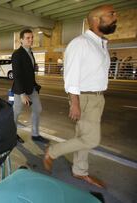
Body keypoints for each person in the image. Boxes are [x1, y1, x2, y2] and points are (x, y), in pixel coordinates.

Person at [44, 4, 117, 188]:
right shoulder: (80, 43)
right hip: (85, 98)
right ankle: (53, 151)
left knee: (83, 136)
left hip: (96, 97)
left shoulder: (100, 43)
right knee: (91, 139)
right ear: (95, 20)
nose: (115, 17)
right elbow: (71, 75)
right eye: (110, 14)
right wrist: (74, 103)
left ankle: (79, 171)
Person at [11, 29, 49, 144]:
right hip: (20, 90)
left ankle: (35, 134)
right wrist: (22, 94)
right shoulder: (17, 54)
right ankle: (11, 135)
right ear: (21, 40)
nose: (31, 40)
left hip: (31, 88)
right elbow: (17, 75)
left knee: (37, 109)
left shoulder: (30, 52)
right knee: (16, 112)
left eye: (32, 37)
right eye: (28, 38)